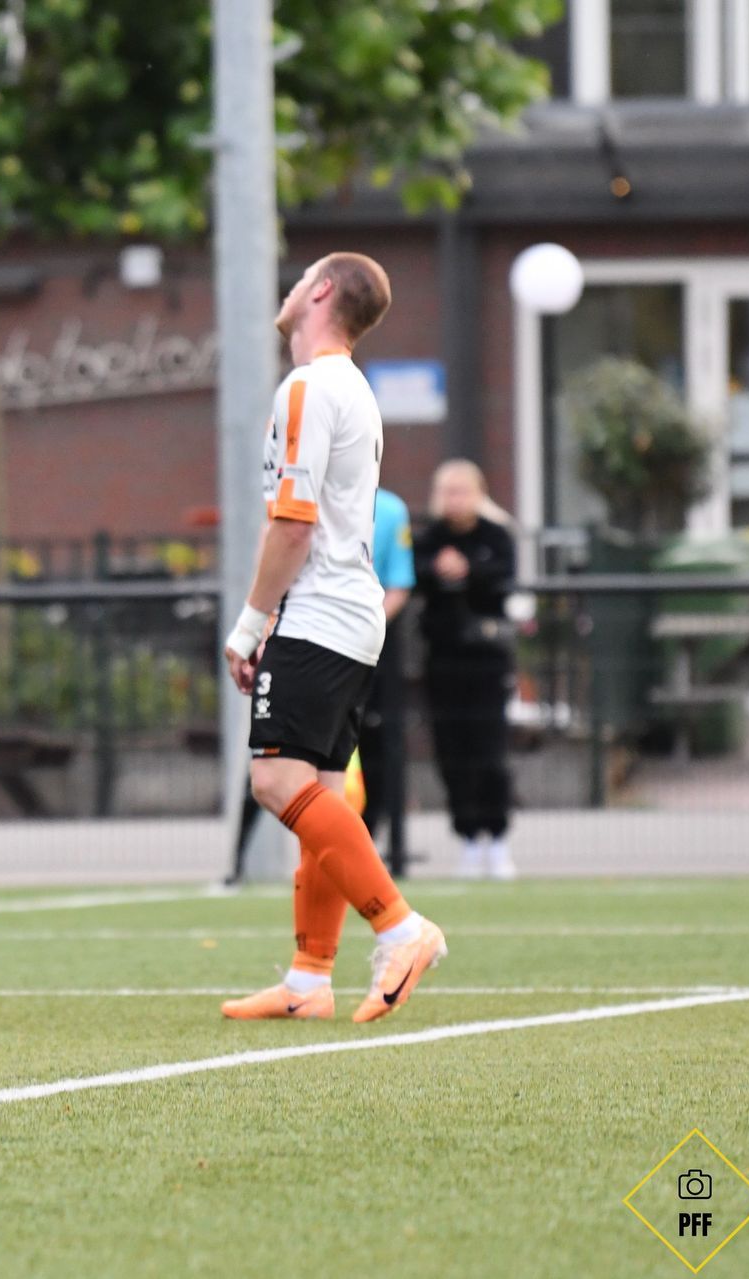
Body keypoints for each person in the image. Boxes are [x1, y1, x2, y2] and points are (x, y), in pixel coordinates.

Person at [219, 252, 448, 1024]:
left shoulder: (310, 385)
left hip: (318, 613)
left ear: (320, 291)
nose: (288, 289)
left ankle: (402, 928)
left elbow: (292, 523)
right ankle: (309, 978)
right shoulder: (349, 387)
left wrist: (251, 623)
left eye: (300, 278)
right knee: (316, 785)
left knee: (275, 783)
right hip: (347, 615)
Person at [222, 486, 413, 883]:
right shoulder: (318, 491)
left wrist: (251, 628)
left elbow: (288, 536)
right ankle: (317, 929)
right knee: (325, 781)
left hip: (310, 641)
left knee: (276, 778)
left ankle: (390, 909)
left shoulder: (307, 484)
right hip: (334, 642)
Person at [413, 459, 518, 880]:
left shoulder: (496, 536)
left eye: (462, 491)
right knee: (451, 752)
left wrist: (468, 570)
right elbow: (414, 574)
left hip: (488, 660)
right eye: (448, 491)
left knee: (489, 750)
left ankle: (498, 836)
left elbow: (503, 576)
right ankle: (468, 837)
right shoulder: (429, 539)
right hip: (443, 659)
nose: (454, 500)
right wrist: (438, 570)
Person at [358, 486, 416, 874]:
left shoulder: (391, 509)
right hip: (315, 642)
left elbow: (399, 584)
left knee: (376, 748)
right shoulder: (306, 494)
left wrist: (364, 629)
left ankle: (364, 844)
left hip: (370, 645)